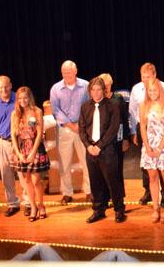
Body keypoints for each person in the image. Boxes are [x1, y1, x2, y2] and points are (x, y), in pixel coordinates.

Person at [79, 76, 126, 223]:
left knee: (113, 181)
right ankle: (98, 210)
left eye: (99, 89)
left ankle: (119, 210)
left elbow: (113, 129)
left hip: (107, 150)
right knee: (95, 182)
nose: (96, 92)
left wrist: (99, 146)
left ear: (104, 90)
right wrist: (89, 146)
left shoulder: (113, 106)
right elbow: (82, 129)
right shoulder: (85, 107)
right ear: (90, 91)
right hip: (91, 151)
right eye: (93, 90)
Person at [49, 60, 91, 204]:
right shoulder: (55, 88)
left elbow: (89, 106)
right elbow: (55, 110)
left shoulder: (85, 86)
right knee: (64, 163)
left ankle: (89, 191)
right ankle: (67, 192)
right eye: (64, 72)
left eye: (69, 71)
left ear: (75, 71)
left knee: (86, 161)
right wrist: (70, 125)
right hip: (64, 129)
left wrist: (80, 124)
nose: (67, 74)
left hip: (82, 128)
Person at [129, 62, 164, 206]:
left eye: (148, 77)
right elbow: (132, 111)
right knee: (146, 162)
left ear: (155, 75)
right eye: (143, 77)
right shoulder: (136, 89)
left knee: (163, 162)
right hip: (143, 127)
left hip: (160, 128)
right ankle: (148, 191)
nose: (145, 80)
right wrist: (134, 130)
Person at [140, 78, 164, 223]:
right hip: (149, 145)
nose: (152, 93)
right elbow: (142, 126)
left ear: (160, 91)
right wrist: (148, 147)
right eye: (150, 90)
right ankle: (155, 208)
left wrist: (160, 148)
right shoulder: (143, 105)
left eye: (155, 90)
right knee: (153, 178)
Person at [0, 75, 26, 216]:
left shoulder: (20, 98)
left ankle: (28, 203)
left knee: (23, 174)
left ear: (11, 85)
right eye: (0, 87)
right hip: (2, 141)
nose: (3, 89)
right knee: (6, 175)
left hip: (20, 142)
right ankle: (12, 204)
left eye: (6, 86)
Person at [10, 86, 50, 222]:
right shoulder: (15, 114)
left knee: (36, 180)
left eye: (25, 97)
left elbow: (39, 133)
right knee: (26, 181)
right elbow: (13, 135)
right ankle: (33, 207)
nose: (23, 100)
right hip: (21, 149)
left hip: (35, 148)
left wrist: (33, 152)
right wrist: (18, 153)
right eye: (20, 98)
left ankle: (41, 205)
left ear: (30, 98)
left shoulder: (37, 111)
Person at [98, 73, 130, 199]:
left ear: (111, 84)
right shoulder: (98, 100)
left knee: (117, 168)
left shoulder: (118, 98)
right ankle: (106, 196)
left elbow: (124, 118)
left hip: (118, 138)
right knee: (104, 169)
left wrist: (126, 139)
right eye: (103, 85)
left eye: (107, 85)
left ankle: (119, 196)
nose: (105, 88)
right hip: (102, 140)